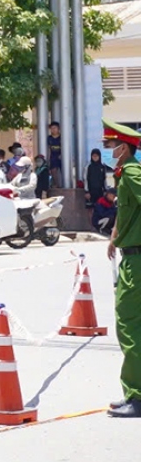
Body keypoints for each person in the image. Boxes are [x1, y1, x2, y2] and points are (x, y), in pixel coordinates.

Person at [105, 120, 141, 418]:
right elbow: (127, 210)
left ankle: (137, 396)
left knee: (129, 325)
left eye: (110, 146)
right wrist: (115, 236)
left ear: (123, 147)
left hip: (137, 260)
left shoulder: (132, 172)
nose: (107, 151)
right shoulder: (126, 173)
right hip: (130, 254)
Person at [86, 148, 112, 221]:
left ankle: (98, 224)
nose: (95, 158)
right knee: (90, 209)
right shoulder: (89, 167)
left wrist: (105, 190)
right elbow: (86, 179)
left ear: (99, 157)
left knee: (99, 208)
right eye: (93, 156)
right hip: (91, 192)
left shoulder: (102, 167)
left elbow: (104, 179)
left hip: (99, 191)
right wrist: (86, 191)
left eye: (96, 156)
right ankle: (91, 226)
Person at [48, 121, 63, 189]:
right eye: (52, 128)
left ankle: (64, 184)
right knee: (53, 170)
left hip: (61, 156)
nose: (53, 130)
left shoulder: (61, 137)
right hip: (53, 156)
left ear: (58, 129)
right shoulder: (49, 138)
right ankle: (56, 184)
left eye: (55, 128)